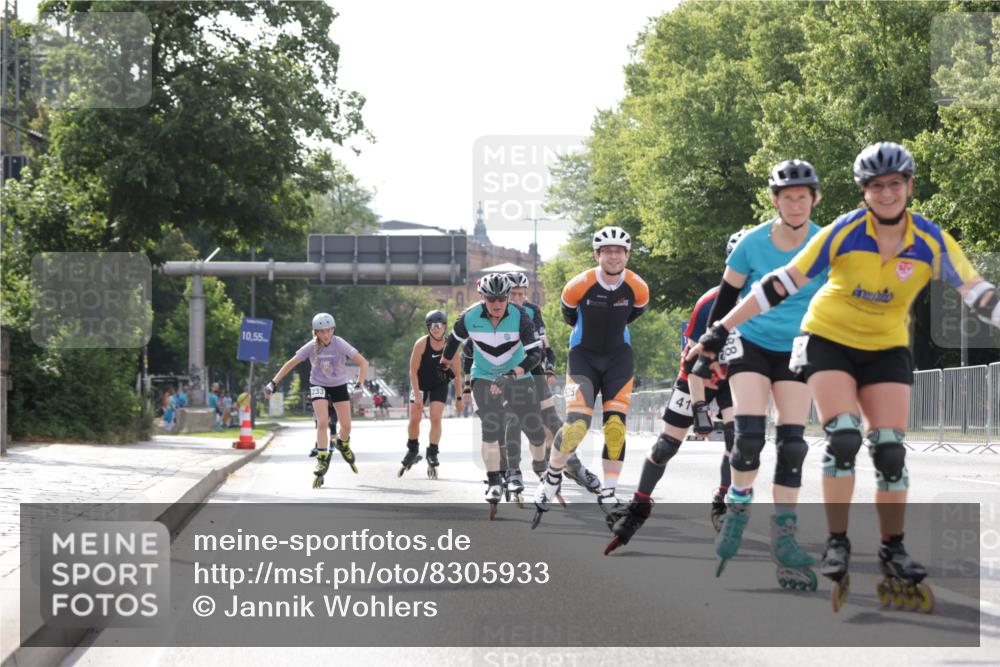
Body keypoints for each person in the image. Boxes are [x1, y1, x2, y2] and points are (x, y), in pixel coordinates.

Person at [688, 141, 1000, 612]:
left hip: (886, 345)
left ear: (909, 186)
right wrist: (719, 329)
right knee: (845, 438)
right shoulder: (842, 232)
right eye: (877, 186)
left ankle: (893, 547)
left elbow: (977, 292)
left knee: (891, 450)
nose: (887, 193)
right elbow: (779, 283)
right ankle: (834, 540)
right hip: (827, 337)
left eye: (895, 184)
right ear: (863, 193)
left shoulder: (931, 239)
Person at [687, 160, 829, 588]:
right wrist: (710, 345)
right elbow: (726, 298)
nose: (796, 204)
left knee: (792, 444)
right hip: (750, 342)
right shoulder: (750, 244)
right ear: (775, 201)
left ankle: (784, 536)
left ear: (815, 199)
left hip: (798, 346)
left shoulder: (825, 243)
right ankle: (738, 506)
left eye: (803, 197)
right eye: (788, 197)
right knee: (748, 436)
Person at [603, 230, 744, 554]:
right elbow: (692, 363)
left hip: (735, 377)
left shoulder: (765, 303)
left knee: (739, 442)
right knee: (667, 445)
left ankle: (722, 502)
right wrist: (699, 409)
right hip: (698, 375)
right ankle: (638, 506)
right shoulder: (710, 302)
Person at [531, 226, 650, 528]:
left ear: (627, 254)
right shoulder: (578, 285)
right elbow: (569, 315)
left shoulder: (638, 287)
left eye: (619, 251)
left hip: (619, 358)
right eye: (607, 251)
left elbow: (634, 313)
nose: (613, 255)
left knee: (615, 427)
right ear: (597, 255)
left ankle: (608, 491)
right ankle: (553, 475)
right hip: (583, 356)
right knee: (576, 427)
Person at [440, 273, 545, 518]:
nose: (497, 304)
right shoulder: (469, 316)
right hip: (484, 375)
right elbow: (453, 343)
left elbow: (535, 355)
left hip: (518, 375)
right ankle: (494, 480)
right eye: (491, 299)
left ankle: (540, 465)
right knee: (491, 424)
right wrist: (444, 364)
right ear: (482, 297)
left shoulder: (520, 316)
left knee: (535, 430)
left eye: (501, 298)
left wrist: (511, 375)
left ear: (508, 297)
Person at [505, 271, 600, 495]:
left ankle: (573, 465)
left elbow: (543, 345)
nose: (519, 299)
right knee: (513, 421)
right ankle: (512, 470)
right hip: (507, 373)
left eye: (522, 294)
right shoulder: (496, 312)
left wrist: (549, 366)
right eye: (514, 294)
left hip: (532, 369)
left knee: (553, 421)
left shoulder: (532, 310)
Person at [265, 313, 369, 488]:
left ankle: (342, 443)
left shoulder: (339, 343)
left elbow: (363, 363)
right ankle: (322, 458)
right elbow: (291, 363)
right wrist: (273, 382)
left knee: (347, 425)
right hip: (318, 384)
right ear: (315, 333)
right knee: (322, 422)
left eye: (328, 331)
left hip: (338, 385)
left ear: (333, 330)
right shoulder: (311, 346)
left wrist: (359, 385)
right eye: (321, 332)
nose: (325, 335)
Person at [401, 310, 463, 479]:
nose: (436, 329)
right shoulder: (421, 344)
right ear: (428, 328)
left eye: (439, 326)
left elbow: (457, 375)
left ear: (445, 327)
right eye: (432, 326)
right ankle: (412, 448)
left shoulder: (452, 346)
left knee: (436, 418)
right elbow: (412, 371)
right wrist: (417, 394)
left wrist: (459, 398)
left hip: (439, 385)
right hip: (419, 383)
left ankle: (432, 452)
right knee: (415, 418)